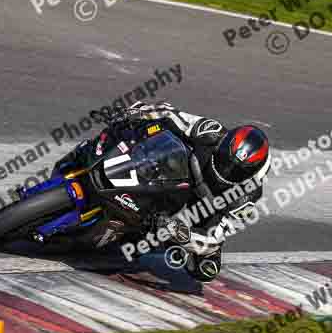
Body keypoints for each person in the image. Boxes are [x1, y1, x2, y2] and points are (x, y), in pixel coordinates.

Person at [55, 101, 271, 283]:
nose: (225, 168)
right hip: (181, 169)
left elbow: (214, 239)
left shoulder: (246, 198)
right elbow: (169, 113)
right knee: (127, 130)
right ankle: (86, 162)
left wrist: (182, 234)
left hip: (205, 205)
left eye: (234, 169)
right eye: (224, 158)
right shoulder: (210, 131)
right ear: (224, 143)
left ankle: (135, 236)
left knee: (205, 268)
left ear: (249, 173)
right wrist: (133, 112)